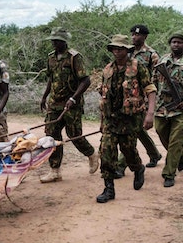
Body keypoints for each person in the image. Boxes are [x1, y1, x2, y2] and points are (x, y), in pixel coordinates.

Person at [97, 34, 156, 203]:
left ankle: (138, 168)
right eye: (114, 48)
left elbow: (150, 89)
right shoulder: (107, 69)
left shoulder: (138, 67)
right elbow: (104, 95)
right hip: (110, 118)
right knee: (106, 151)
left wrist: (150, 114)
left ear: (127, 50)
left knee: (128, 151)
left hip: (130, 119)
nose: (117, 51)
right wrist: (102, 122)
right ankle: (109, 189)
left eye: (120, 48)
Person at [39, 27, 99, 183]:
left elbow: (85, 80)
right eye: (52, 40)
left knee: (74, 135)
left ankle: (91, 154)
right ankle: (55, 171)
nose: (54, 43)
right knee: (51, 136)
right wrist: (44, 97)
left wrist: (73, 98)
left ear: (64, 41)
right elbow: (51, 79)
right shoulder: (51, 58)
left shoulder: (74, 57)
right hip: (54, 103)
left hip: (71, 104)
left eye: (57, 40)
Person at [116, 24, 161, 177]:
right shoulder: (127, 52)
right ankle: (154, 154)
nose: (135, 37)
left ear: (145, 37)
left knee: (131, 130)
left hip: (143, 97)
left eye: (138, 35)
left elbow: (157, 78)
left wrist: (152, 101)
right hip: (128, 96)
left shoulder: (151, 54)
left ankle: (121, 166)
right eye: (133, 35)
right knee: (138, 129)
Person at [153, 32, 183, 187]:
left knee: (175, 141)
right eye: (173, 42)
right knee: (160, 131)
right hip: (162, 107)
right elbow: (153, 81)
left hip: (180, 109)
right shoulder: (163, 60)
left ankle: (169, 173)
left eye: (179, 42)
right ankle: (180, 158)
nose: (176, 45)